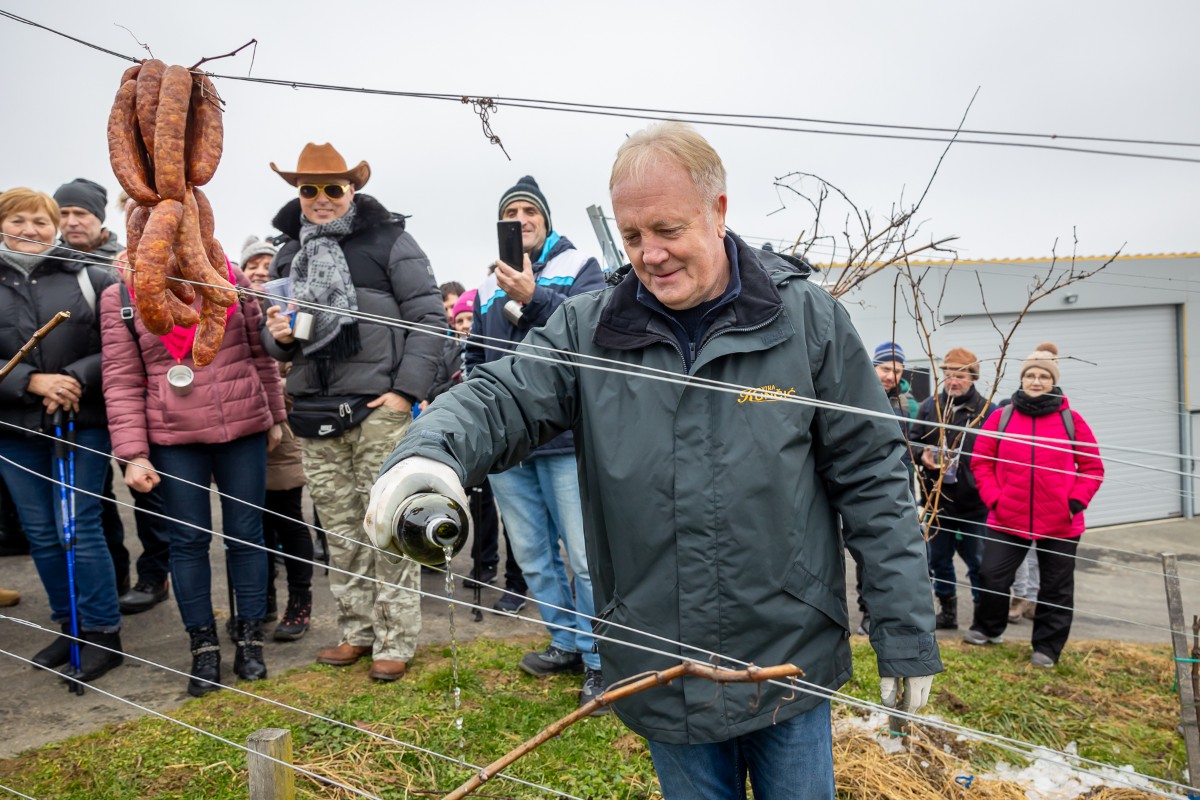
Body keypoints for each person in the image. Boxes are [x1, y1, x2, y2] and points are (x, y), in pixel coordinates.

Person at [369, 123, 940, 799]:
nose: (650, 254)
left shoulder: (806, 322)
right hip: (657, 658)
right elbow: (501, 399)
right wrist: (424, 458)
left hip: (788, 654)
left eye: (668, 229)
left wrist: (904, 630)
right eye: (633, 234)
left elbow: (873, 476)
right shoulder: (591, 328)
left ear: (719, 211)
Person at [262, 142, 445, 682]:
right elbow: (282, 337)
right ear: (298, 193)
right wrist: (275, 339)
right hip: (314, 413)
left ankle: (396, 637)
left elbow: (430, 319)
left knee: (386, 525)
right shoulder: (286, 254)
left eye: (332, 188)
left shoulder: (391, 240)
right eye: (308, 189)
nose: (320, 199)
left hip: (377, 409)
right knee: (340, 531)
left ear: (353, 189)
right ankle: (354, 631)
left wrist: (405, 393)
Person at [101, 247, 286, 696]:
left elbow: (258, 353)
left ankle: (248, 638)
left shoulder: (228, 276)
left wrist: (275, 412)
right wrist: (132, 453)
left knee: (247, 535)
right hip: (174, 438)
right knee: (188, 542)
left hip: (241, 428)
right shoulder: (122, 293)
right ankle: (203, 647)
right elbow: (121, 376)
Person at [463, 175, 608, 708]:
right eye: (511, 213)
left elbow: (595, 333)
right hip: (509, 446)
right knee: (533, 554)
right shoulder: (484, 287)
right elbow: (476, 359)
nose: (521, 219)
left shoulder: (580, 268)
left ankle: (601, 658)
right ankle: (565, 642)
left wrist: (536, 296)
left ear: (547, 221)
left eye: (530, 211)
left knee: (586, 556)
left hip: (567, 441)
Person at [0, 187, 124, 682]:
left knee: (79, 528)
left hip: (81, 422)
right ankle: (69, 626)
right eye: (18, 221)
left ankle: (102, 632)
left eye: (40, 221)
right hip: (13, 426)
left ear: (56, 228)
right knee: (42, 536)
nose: (30, 230)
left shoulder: (90, 276)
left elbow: (117, 345)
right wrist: (27, 380)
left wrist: (75, 377)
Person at [966, 342, 1104, 667]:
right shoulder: (1002, 417)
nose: (1037, 381)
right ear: (1022, 379)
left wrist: (1074, 502)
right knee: (992, 576)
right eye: (1031, 375)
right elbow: (980, 462)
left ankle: (1047, 648)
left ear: (1053, 381)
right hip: (1007, 517)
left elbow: (1093, 467)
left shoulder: (1072, 420)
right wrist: (995, 499)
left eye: (1044, 376)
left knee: (1056, 588)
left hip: (1060, 523)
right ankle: (988, 628)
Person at [53, 178, 135, 605]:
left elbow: (121, 345)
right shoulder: (49, 265)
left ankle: (150, 576)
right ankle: (115, 576)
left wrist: (78, 373)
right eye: (63, 214)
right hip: (68, 409)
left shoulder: (114, 267)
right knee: (96, 502)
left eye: (80, 214)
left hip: (112, 401)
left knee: (143, 491)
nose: (71, 222)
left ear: (99, 219)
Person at [243, 235, 316, 641]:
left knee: (288, 519)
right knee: (251, 524)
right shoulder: (234, 307)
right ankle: (263, 599)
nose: (259, 271)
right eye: (251, 264)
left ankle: (299, 601)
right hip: (242, 426)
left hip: (282, 429)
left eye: (266, 265)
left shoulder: (290, 307)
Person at [914, 348, 997, 630]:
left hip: (975, 504)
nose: (953, 380)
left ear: (972, 377)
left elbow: (1001, 455)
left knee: (979, 563)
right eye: (948, 374)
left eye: (960, 375)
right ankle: (947, 612)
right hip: (938, 501)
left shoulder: (989, 412)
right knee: (938, 560)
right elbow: (911, 440)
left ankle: (981, 618)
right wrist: (920, 455)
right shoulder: (930, 407)